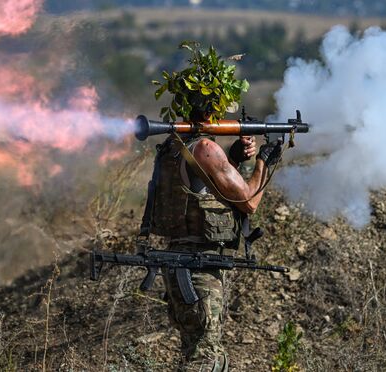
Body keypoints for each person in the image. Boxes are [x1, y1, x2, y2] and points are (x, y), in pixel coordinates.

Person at [144, 45, 282, 371]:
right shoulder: (205, 147)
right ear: (212, 110)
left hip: (184, 265)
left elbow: (198, 191)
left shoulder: (174, 147)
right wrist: (264, 162)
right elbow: (247, 202)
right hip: (198, 270)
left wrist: (233, 158)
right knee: (206, 360)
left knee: (200, 355)